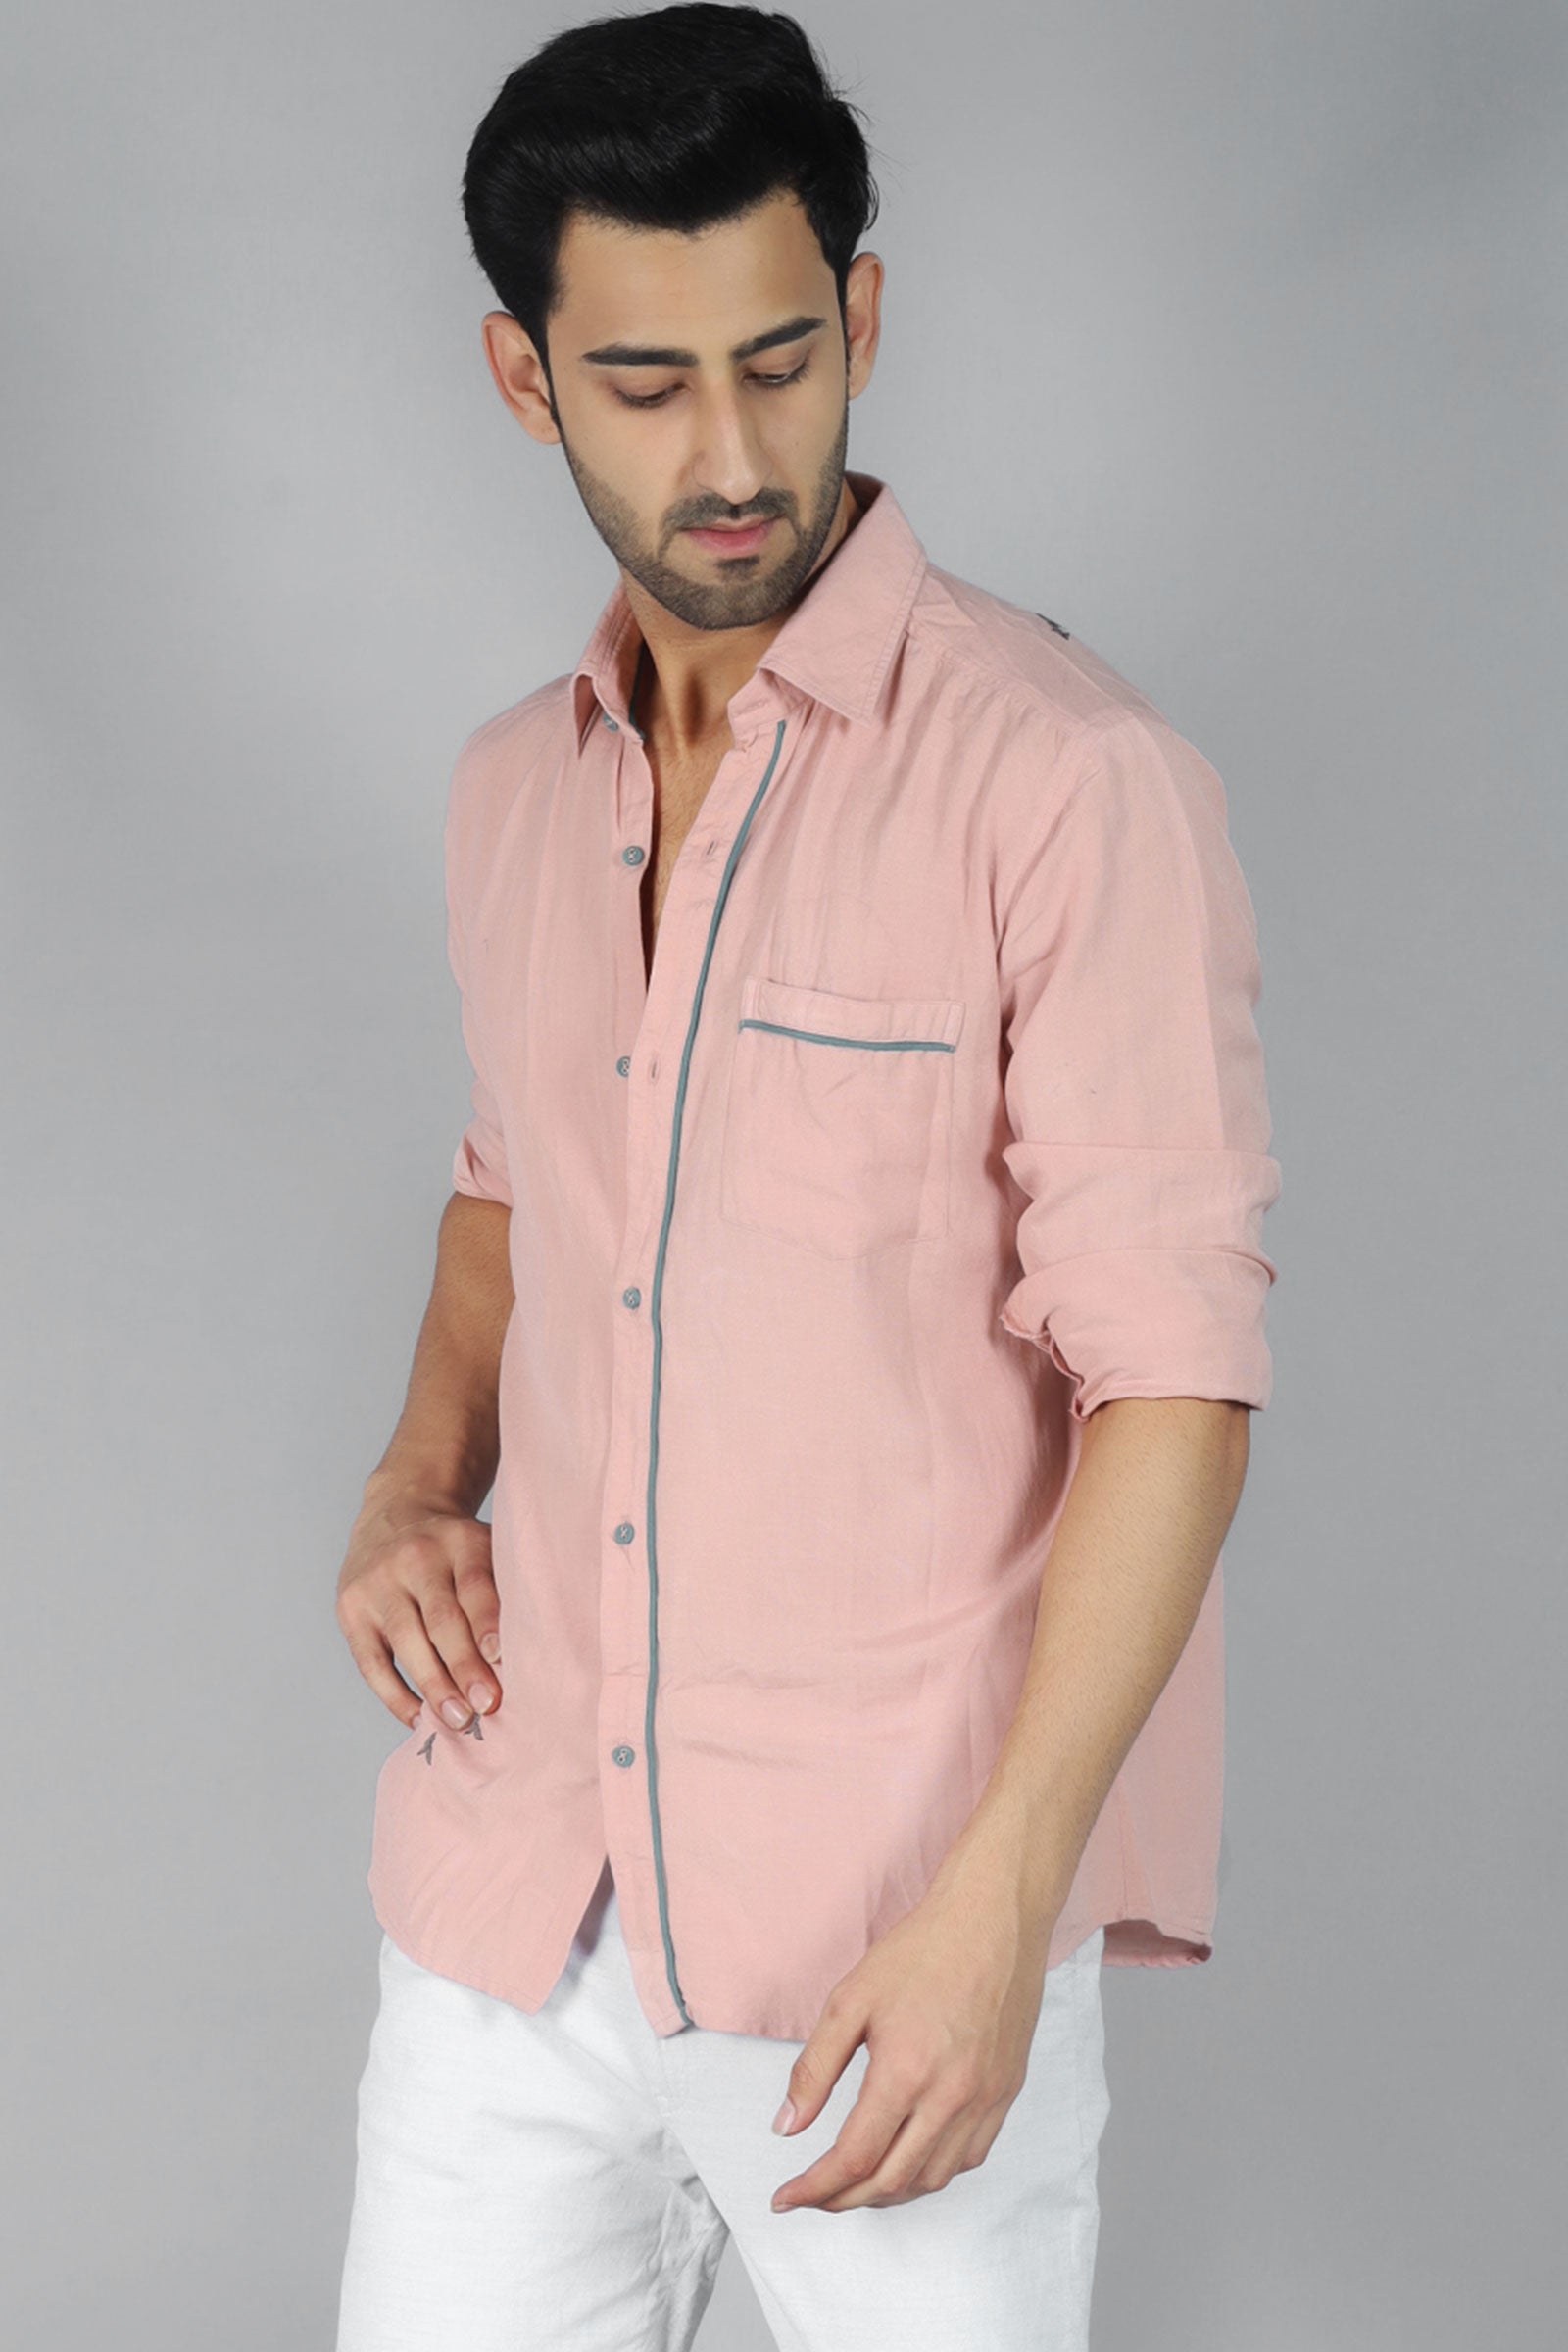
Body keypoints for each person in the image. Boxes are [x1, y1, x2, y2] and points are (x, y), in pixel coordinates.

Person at [332, 7, 1283, 2346]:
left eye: (779, 361)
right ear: (522, 378)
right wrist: (414, 1478)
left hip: (888, 1928)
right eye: (645, 386)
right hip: (513, 1907)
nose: (733, 454)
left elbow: (1172, 1379)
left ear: (857, 313)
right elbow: (514, 1187)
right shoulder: (510, 792)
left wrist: (1001, 1912)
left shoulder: (1066, 782)